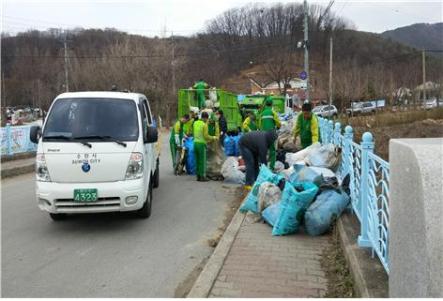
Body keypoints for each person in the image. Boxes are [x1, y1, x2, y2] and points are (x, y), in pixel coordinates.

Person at [193, 111, 218, 181]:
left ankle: (198, 176)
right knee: (202, 161)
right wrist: (213, 137)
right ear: (205, 118)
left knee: (197, 160)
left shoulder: (195, 123)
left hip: (195, 143)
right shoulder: (204, 125)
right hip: (201, 144)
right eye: (207, 119)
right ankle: (202, 176)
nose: (207, 120)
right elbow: (206, 136)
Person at [259, 97, 281, 170]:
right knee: (272, 150)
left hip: (262, 134)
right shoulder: (272, 112)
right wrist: (278, 126)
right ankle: (271, 167)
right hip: (271, 133)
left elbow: (259, 125)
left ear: (265, 104)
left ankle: (263, 167)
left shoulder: (262, 113)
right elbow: (278, 123)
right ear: (272, 104)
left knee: (263, 150)